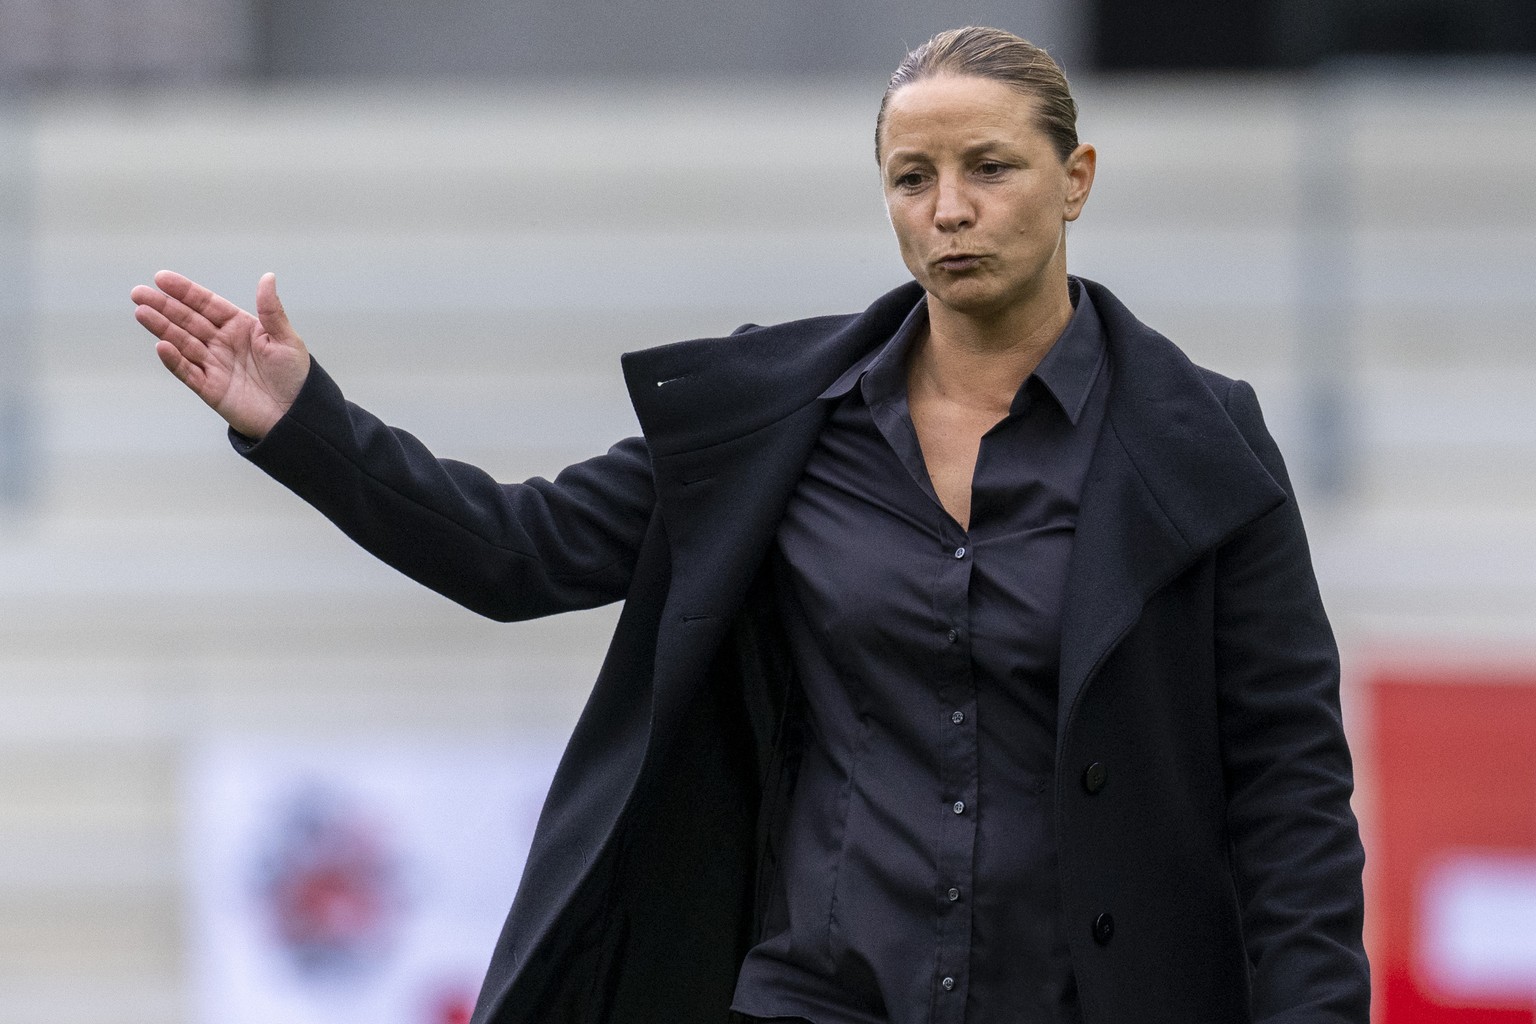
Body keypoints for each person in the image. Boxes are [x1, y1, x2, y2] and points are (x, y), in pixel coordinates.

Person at [131, 26, 1368, 1024]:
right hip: (814, 992)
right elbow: (517, 551)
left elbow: (1289, 788)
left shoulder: (1202, 442)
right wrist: (303, 421)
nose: (950, 208)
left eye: (990, 167)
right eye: (912, 176)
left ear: (1076, 178)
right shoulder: (778, 421)